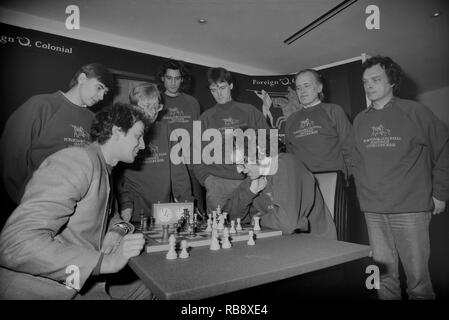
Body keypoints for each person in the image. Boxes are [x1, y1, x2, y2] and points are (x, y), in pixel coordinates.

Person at [0, 103, 151, 300]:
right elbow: (15, 244)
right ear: (117, 132)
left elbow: (113, 218)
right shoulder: (79, 160)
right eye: (138, 136)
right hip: (39, 288)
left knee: (148, 288)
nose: (143, 145)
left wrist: (116, 231)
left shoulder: (105, 169)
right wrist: (106, 263)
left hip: (81, 281)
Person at [352, 55, 449, 299]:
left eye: (375, 79)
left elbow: (445, 149)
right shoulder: (360, 120)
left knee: (418, 283)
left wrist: (440, 193)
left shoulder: (415, 111)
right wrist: (364, 191)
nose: (369, 85)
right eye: (365, 81)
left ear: (392, 81)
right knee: (384, 279)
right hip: (374, 210)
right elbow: (355, 160)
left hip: (410, 209)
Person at [0, 63, 114, 204]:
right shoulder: (40, 105)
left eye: (105, 92)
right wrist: (23, 199)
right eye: (99, 87)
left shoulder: (93, 119)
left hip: (76, 206)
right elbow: (13, 157)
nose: (102, 97)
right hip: (36, 202)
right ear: (82, 78)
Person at [216, 135, 337, 239]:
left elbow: (286, 224)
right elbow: (228, 219)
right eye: (236, 164)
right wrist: (249, 192)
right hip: (282, 242)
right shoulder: (254, 176)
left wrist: (257, 220)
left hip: (315, 245)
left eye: (242, 161)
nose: (239, 170)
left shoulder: (286, 164)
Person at [193, 67, 270, 212]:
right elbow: (196, 154)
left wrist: (261, 171)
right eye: (213, 90)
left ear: (231, 86)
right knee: (218, 230)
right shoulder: (204, 118)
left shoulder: (250, 111)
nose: (219, 93)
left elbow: (268, 142)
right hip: (218, 184)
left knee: (257, 229)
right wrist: (207, 180)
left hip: (250, 181)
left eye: (222, 88)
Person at [117, 83, 193, 223]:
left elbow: (179, 174)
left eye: (156, 106)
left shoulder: (167, 130)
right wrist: (125, 203)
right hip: (133, 211)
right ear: (133, 106)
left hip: (164, 211)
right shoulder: (124, 131)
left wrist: (186, 204)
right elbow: (120, 177)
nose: (152, 112)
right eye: (146, 106)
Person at [284, 69, 352, 176]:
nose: (302, 91)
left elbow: (350, 148)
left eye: (307, 85)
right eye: (298, 88)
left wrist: (348, 178)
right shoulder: (291, 120)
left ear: (319, 88)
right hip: (303, 183)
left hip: (333, 180)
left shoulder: (334, 111)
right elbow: (290, 156)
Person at [157, 59, 204, 212]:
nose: (173, 83)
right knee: (166, 215)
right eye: (169, 78)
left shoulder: (192, 102)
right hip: (165, 166)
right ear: (163, 78)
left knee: (195, 213)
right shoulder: (156, 100)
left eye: (177, 78)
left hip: (190, 166)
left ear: (182, 79)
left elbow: (198, 134)